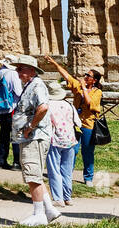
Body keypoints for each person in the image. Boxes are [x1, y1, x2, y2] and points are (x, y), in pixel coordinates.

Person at [9, 55, 58, 225]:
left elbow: (43, 107)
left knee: (32, 174)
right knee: (34, 173)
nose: (17, 71)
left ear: (31, 70)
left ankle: (39, 214)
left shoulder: (37, 85)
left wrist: (30, 126)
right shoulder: (30, 85)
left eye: (20, 68)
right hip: (32, 137)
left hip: (34, 137)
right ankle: (50, 210)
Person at [44, 56, 103, 185]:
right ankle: (67, 174)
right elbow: (66, 76)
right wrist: (54, 63)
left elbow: (89, 104)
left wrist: (84, 88)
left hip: (88, 124)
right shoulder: (78, 87)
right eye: (86, 74)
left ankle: (88, 178)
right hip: (75, 124)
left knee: (87, 152)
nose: (85, 76)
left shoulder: (97, 92)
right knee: (72, 150)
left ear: (94, 80)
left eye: (89, 75)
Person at [44, 81, 82, 207]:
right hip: (70, 139)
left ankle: (58, 198)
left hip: (55, 139)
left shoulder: (48, 105)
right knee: (67, 170)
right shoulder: (69, 105)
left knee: (54, 169)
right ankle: (67, 197)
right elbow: (79, 123)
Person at [0, 57, 22, 170]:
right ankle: (16, 162)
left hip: (1, 108)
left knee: (3, 135)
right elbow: (18, 92)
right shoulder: (13, 74)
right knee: (15, 136)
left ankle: (0, 161)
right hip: (12, 108)